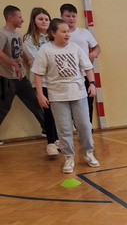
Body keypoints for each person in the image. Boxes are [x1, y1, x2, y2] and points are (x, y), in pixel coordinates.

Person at [32, 18, 99, 174]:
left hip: (79, 93)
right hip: (57, 96)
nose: (67, 34)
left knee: (84, 125)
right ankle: (69, 157)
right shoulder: (46, 50)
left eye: (68, 31)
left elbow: (88, 67)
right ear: (53, 33)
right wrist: (40, 95)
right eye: (63, 31)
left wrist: (92, 84)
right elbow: (38, 74)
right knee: (64, 128)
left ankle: (88, 152)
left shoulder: (75, 48)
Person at [0, 5, 45, 138]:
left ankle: (46, 129)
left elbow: (22, 51)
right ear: (10, 18)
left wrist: (29, 61)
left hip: (21, 78)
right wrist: (11, 62)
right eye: (19, 17)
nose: (22, 20)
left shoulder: (17, 34)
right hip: (7, 79)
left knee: (35, 103)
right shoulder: (2, 34)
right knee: (3, 108)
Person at [23, 7, 59, 155]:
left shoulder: (53, 36)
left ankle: (58, 139)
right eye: (40, 19)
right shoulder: (29, 38)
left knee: (58, 111)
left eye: (46, 19)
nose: (44, 22)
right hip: (41, 81)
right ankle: (51, 142)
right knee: (48, 111)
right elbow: (37, 59)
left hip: (55, 80)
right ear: (34, 21)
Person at [60, 3, 101, 123]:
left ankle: (87, 129)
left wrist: (93, 54)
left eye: (73, 16)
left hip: (85, 73)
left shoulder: (84, 32)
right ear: (61, 16)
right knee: (70, 104)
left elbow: (97, 47)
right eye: (68, 16)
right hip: (68, 75)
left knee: (88, 103)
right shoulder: (59, 35)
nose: (71, 19)